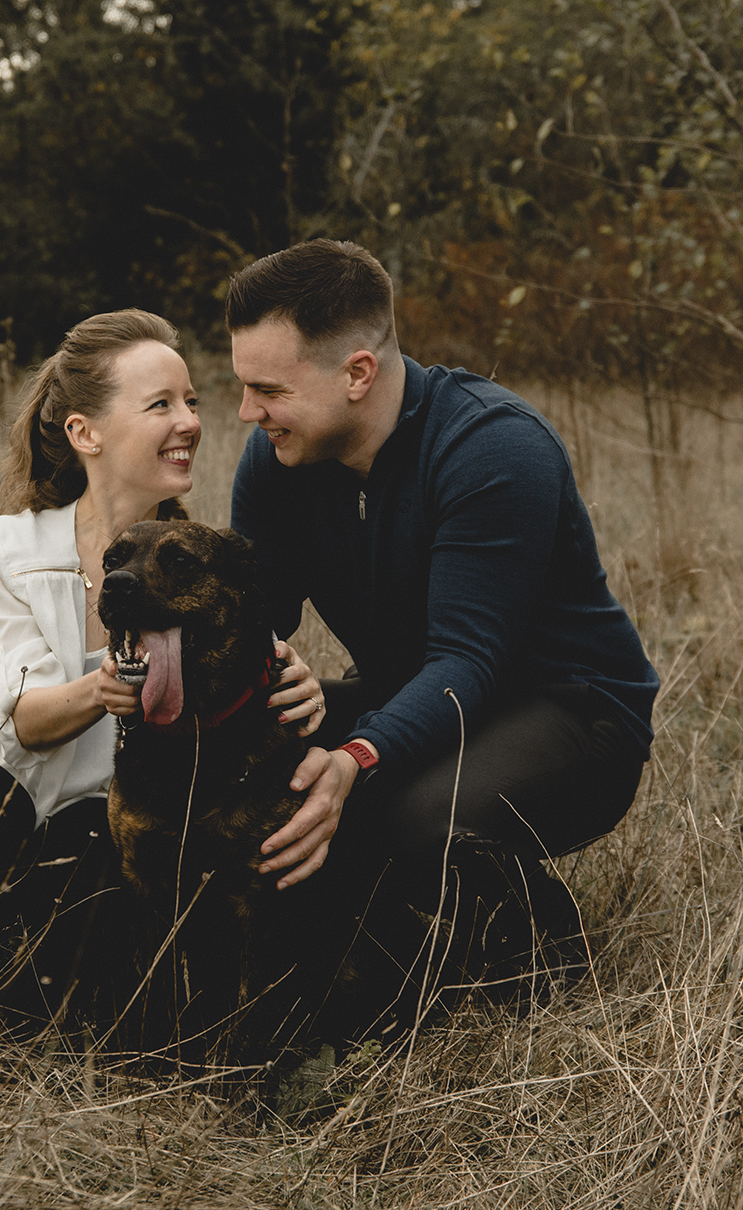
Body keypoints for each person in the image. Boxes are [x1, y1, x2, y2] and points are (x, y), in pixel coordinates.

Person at [226, 240, 659, 992]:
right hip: (419, 697)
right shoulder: (280, 459)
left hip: (570, 712)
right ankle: (358, 957)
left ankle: (544, 951)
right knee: (252, 767)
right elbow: (251, 617)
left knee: (410, 818)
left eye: (269, 389)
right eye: (242, 385)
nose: (247, 411)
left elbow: (468, 661)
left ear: (357, 373)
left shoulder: (492, 448)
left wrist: (355, 759)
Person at [0, 308, 324, 1031]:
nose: (188, 422)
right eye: (160, 405)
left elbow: (245, 674)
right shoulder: (5, 550)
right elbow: (25, 715)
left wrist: (281, 673)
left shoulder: (195, 565)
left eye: (191, 402)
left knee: (95, 860)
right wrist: (109, 683)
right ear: (84, 433)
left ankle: (38, 996)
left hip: (114, 851)